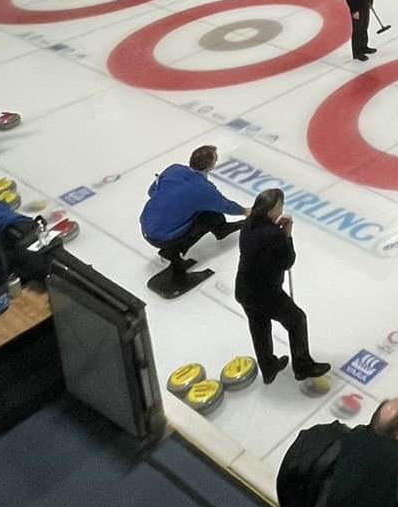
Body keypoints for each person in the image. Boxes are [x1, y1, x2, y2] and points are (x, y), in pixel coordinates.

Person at [234, 188, 331, 386]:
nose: (281, 209)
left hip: (244, 288)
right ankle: (302, 366)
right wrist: (287, 235)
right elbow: (287, 262)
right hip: (266, 293)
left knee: (259, 326)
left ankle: (268, 367)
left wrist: (276, 231)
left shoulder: (249, 224)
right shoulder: (273, 235)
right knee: (297, 320)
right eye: (279, 207)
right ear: (270, 211)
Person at [139, 145, 245, 280]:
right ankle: (174, 252)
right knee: (210, 214)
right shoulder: (205, 189)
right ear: (211, 165)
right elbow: (227, 206)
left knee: (202, 209)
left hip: (146, 226)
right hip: (162, 237)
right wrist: (245, 211)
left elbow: (151, 191)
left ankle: (174, 249)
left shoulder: (174, 169)